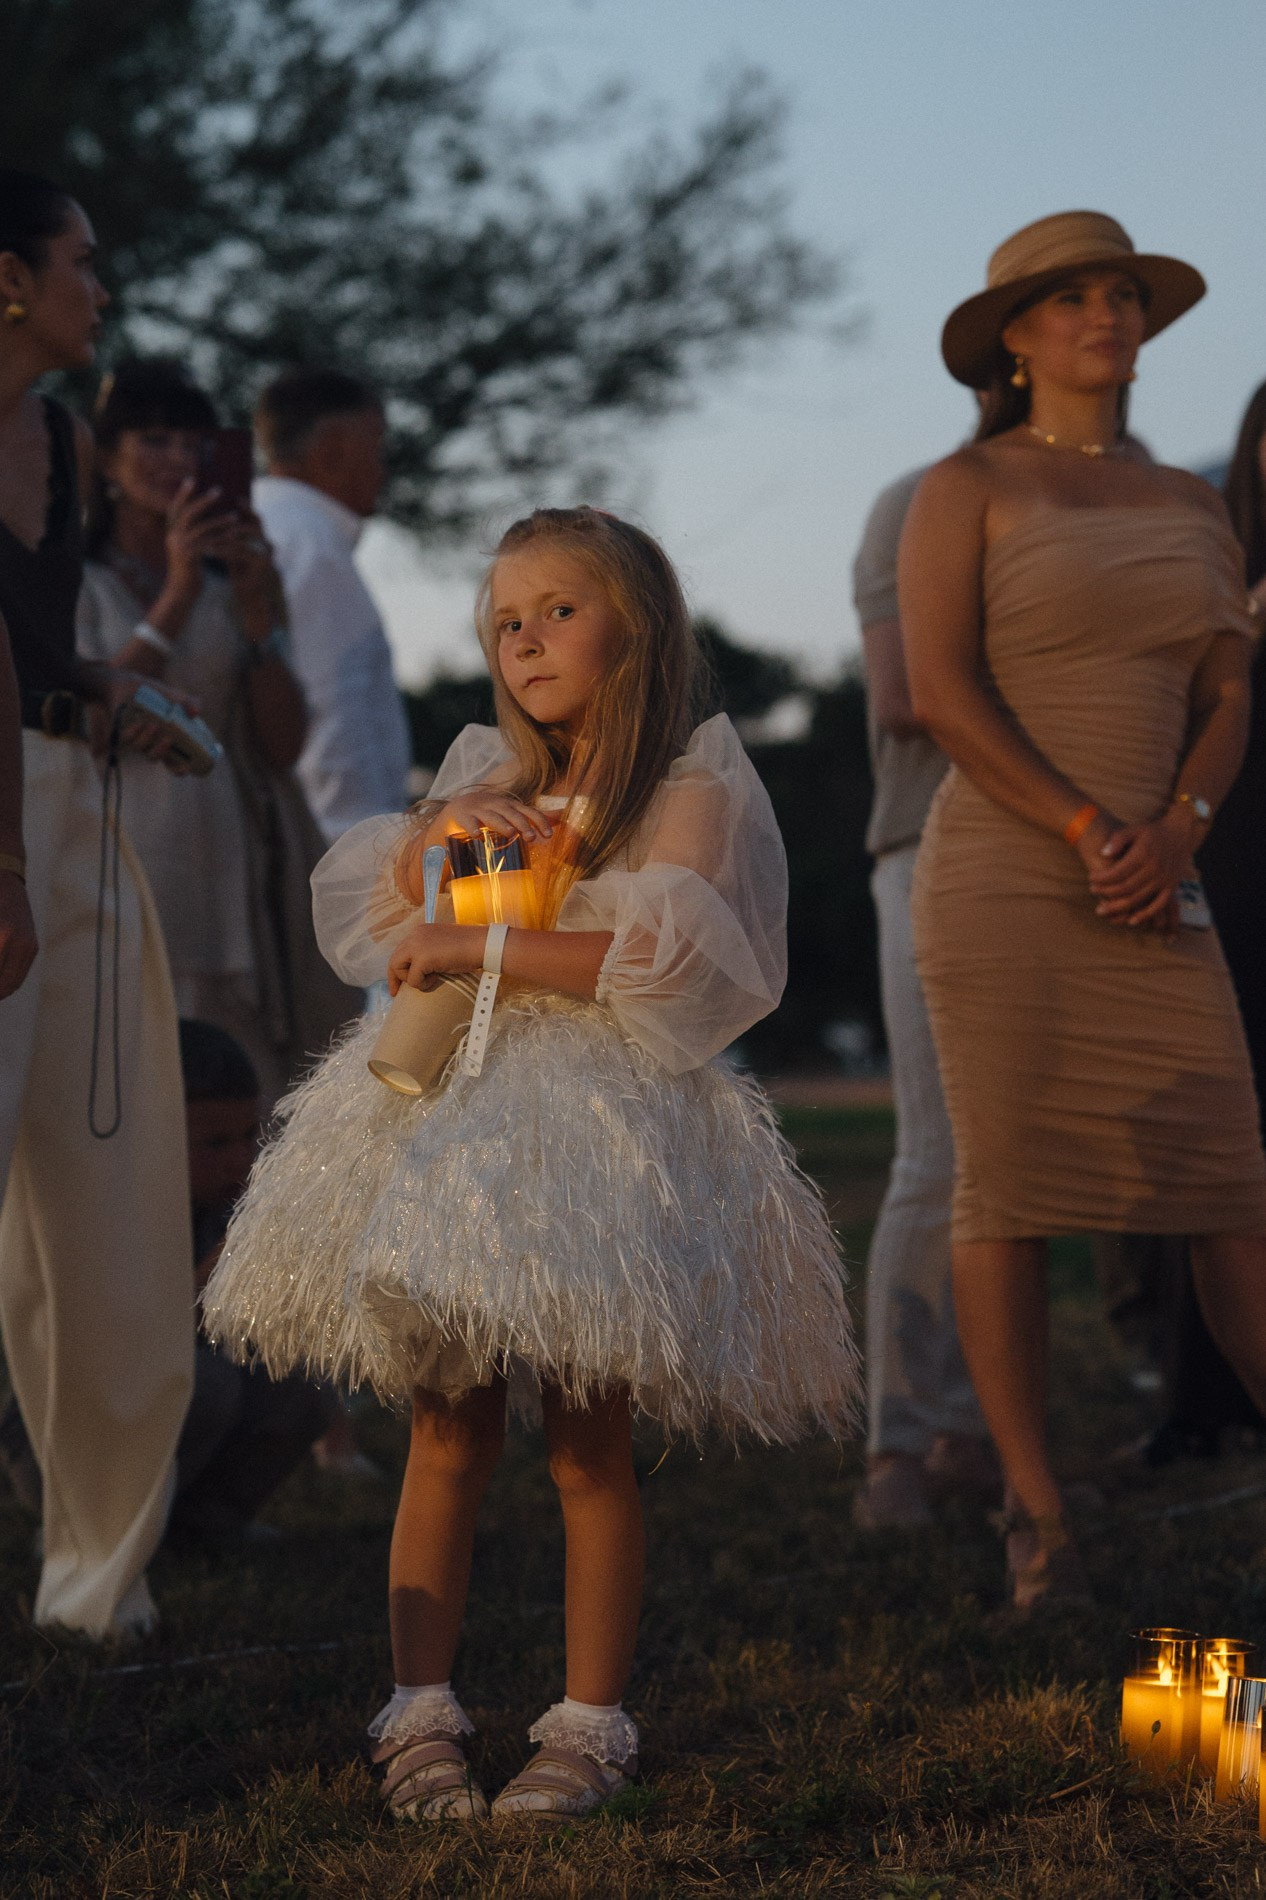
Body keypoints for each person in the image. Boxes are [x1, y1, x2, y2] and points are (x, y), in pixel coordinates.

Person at [204, 506, 859, 1819]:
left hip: (593, 1144)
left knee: (584, 1440)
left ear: (636, 622)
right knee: (447, 1422)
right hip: (453, 1130)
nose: (526, 640)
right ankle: (420, 1703)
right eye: (505, 622)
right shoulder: (479, 782)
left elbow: (653, 965)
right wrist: (432, 847)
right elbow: (394, 915)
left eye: (558, 609)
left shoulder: (686, 794)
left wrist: (475, 949)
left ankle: (588, 1724)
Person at [899, 210, 1266, 1613]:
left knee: (1229, 1187)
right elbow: (939, 692)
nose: (1104, 315)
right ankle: (1034, 1515)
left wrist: (1176, 828)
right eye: (1070, 298)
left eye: (1120, 294)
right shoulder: (964, 484)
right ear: (1015, 336)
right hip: (1007, 874)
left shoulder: (1188, 499)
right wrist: (1083, 825)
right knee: (1006, 1193)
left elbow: (1228, 689)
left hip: (1161, 874)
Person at [0, 170, 193, 1636]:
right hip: (3, 830)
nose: (101, 287)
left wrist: (109, 683)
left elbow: (33, 652)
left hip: (68, 813)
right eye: (82, 260)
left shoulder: (62, 439)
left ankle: (94, 1578)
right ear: (9, 277)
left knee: (114, 1199)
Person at [76, 359, 359, 1101]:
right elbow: (86, 720)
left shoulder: (236, 583)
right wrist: (174, 592)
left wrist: (260, 618)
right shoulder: (78, 578)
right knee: (134, 1079)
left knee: (241, 1089)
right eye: (156, 440)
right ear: (107, 459)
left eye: (195, 445)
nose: (177, 461)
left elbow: (284, 746)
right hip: (122, 852)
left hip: (236, 862)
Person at [1, 1019, 337, 1539]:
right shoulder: (99, 1209)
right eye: (213, 1142)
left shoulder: (215, 1205)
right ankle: (101, 1541)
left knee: (303, 1384)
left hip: (168, 1422)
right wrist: (211, 1277)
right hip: (57, 1452)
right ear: (151, 1132)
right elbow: (115, 1353)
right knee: (205, 1386)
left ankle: (197, 1528)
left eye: (249, 1135)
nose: (239, 1159)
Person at [852, 465, 993, 1530]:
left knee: (1023, 1163)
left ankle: (983, 1435)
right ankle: (897, 1447)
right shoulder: (922, 501)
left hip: (1064, 861)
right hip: (933, 843)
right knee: (935, 1153)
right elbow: (905, 697)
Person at [252, 369, 411, 842]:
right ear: (333, 447)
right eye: (376, 446)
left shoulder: (265, 528)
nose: (383, 468)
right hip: (333, 849)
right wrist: (362, 854)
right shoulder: (310, 545)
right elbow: (335, 711)